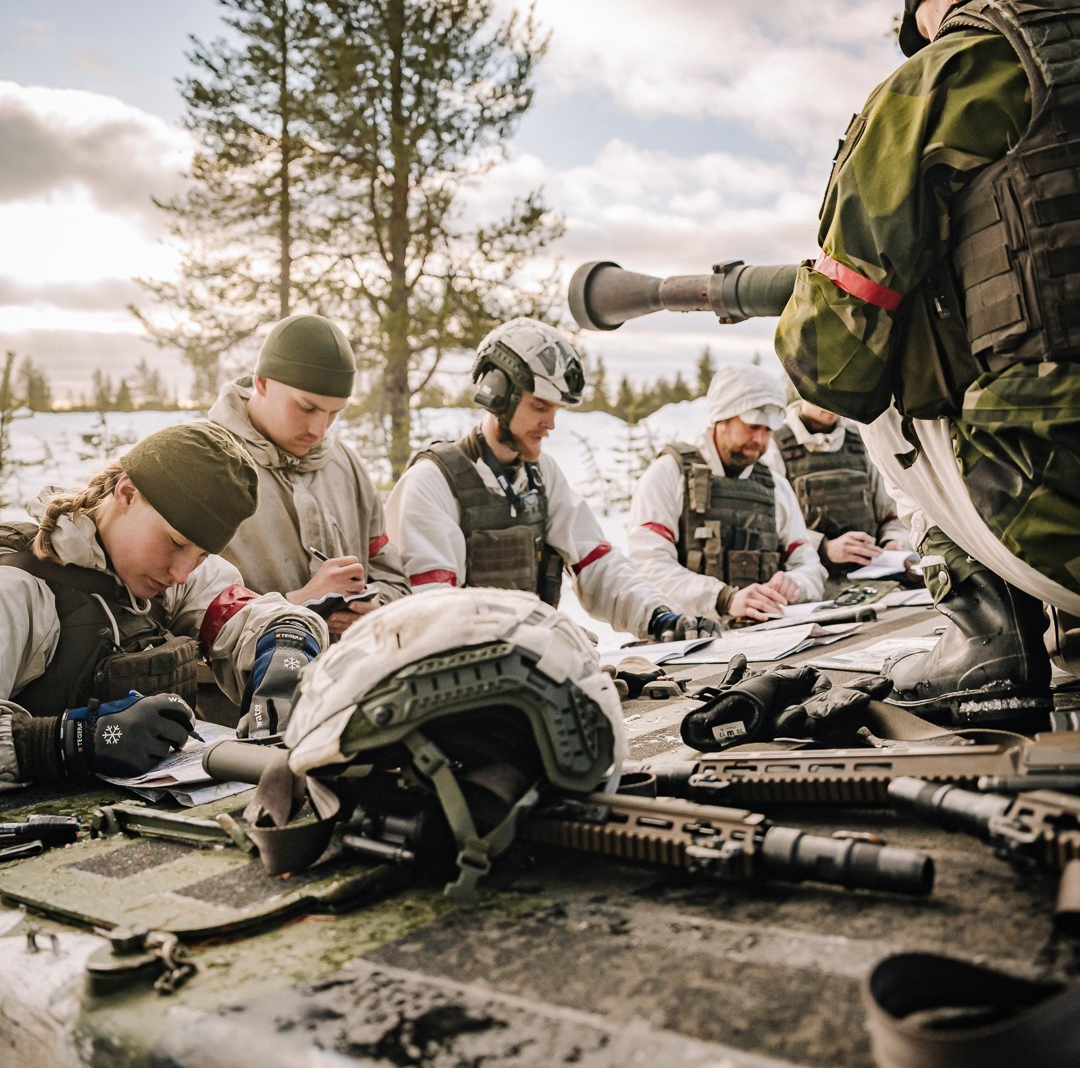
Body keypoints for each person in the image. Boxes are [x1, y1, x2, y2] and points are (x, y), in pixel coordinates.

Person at [775, 0, 1079, 724]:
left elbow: (831, 368)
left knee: (882, 351)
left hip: (1063, 525)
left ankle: (991, 638)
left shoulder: (954, 70)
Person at [0, 422, 328, 790]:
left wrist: (287, 645)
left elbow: (245, 616)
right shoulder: (16, 589)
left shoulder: (165, 580)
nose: (182, 572)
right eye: (175, 542)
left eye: (202, 555)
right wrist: (74, 740)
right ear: (126, 493)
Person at [386, 317, 720, 643]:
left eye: (556, 410)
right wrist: (545, 634)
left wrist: (658, 616)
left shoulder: (541, 475)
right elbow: (432, 612)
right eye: (539, 407)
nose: (550, 424)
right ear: (497, 395)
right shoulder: (432, 483)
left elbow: (597, 563)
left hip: (526, 668)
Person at [208, 314, 409, 638]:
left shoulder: (348, 466)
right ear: (262, 383)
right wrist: (297, 604)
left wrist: (374, 609)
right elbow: (181, 609)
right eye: (306, 408)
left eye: (334, 413)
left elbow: (395, 581)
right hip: (243, 687)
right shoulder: (204, 465)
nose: (318, 429)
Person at [628, 365, 827, 621]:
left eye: (768, 430)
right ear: (722, 417)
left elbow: (809, 565)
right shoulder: (669, 474)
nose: (760, 439)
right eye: (753, 426)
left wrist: (795, 582)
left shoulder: (775, 485)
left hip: (768, 638)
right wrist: (723, 598)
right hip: (687, 641)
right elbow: (648, 565)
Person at [769, 396, 912, 576]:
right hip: (815, 582)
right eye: (824, 391)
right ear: (802, 388)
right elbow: (773, 528)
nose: (832, 399)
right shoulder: (771, 445)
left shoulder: (863, 437)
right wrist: (824, 547)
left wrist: (893, 542)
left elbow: (894, 510)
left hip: (875, 576)